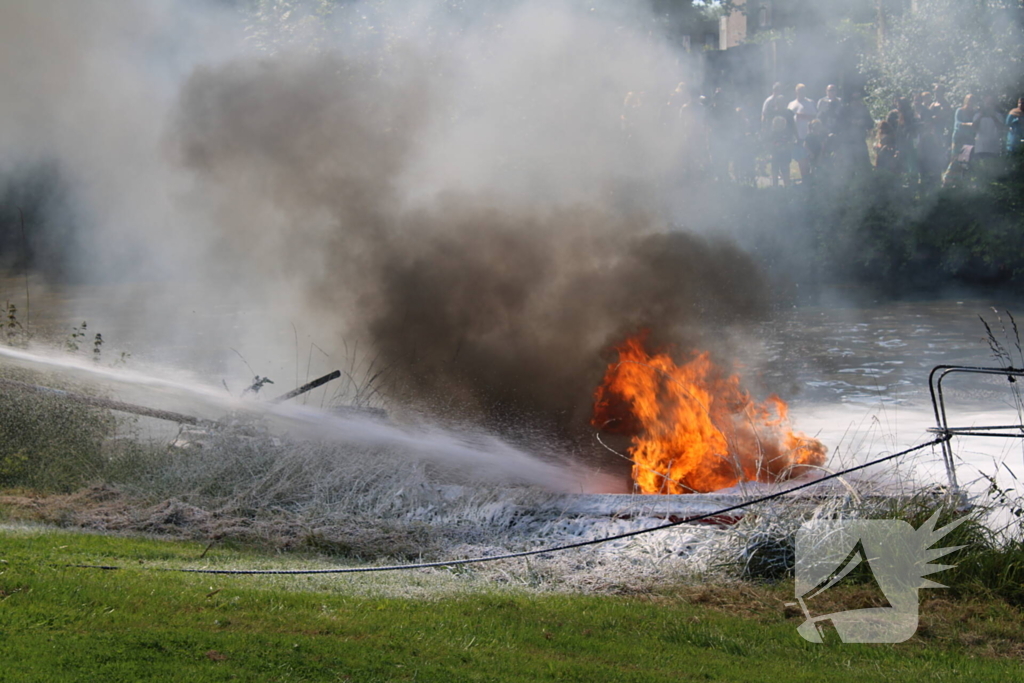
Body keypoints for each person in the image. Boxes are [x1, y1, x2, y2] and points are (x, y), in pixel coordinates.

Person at [836, 89, 874, 175]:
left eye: (858, 99)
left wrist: (863, 122)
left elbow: (870, 123)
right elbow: (839, 123)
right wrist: (851, 122)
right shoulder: (844, 110)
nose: (857, 102)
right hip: (847, 141)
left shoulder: (864, 109)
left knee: (864, 163)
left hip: (860, 140)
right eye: (855, 100)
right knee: (849, 165)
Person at [788, 84, 817, 182]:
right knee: (800, 160)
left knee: (808, 159)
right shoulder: (791, 104)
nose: (801, 93)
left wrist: (803, 116)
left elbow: (815, 118)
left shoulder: (810, 103)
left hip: (808, 136)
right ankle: (804, 180)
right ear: (796, 92)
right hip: (797, 136)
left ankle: (810, 179)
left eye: (803, 91)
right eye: (799, 91)